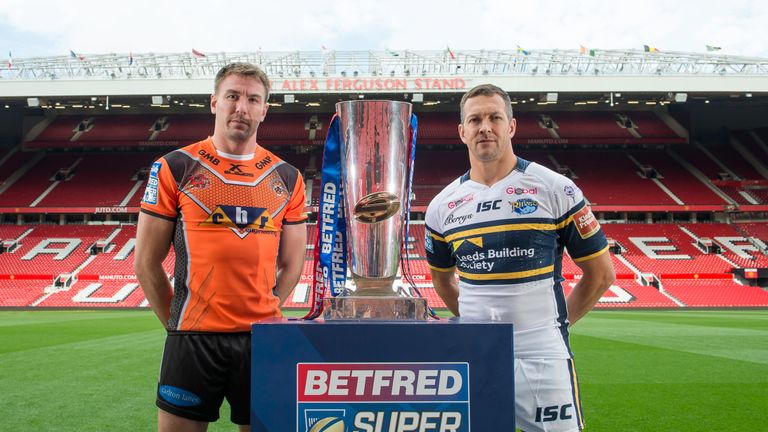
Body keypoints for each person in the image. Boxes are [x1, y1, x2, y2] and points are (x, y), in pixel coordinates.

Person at [424, 84, 615, 432]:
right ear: (462, 132)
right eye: (475, 119)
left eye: (495, 117)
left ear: (511, 126)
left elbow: (601, 274)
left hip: (542, 355)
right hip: (476, 355)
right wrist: (477, 325)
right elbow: (442, 279)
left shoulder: (556, 188)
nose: (485, 127)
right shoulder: (441, 206)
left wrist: (553, 327)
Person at [135, 62, 307, 432]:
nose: (241, 107)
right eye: (232, 96)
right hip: (191, 341)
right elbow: (146, 264)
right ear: (214, 102)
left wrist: (269, 306)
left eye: (252, 99)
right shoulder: (174, 167)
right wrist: (178, 325)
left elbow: (293, 263)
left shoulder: (288, 177)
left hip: (261, 340)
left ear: (264, 109)